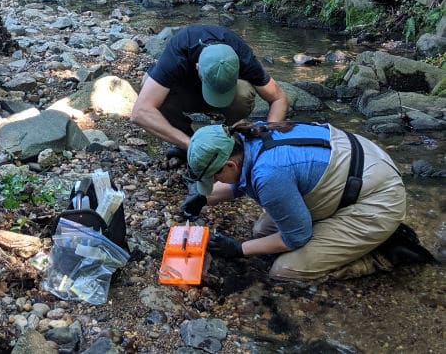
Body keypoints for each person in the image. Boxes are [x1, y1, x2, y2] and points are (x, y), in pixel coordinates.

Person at [181, 120, 435, 281]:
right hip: (356, 168)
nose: (217, 182)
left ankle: (382, 255)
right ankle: (348, 234)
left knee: (284, 271)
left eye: (216, 176)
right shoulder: (246, 134)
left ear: (229, 163)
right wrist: (202, 198)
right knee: (261, 232)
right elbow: (238, 181)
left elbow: (295, 238)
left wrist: (238, 249)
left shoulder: (269, 175)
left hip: (379, 198)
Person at [130, 24, 288, 159]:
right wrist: (191, 145)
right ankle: (185, 138)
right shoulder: (179, 52)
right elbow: (139, 112)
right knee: (150, 91)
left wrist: (268, 136)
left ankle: (230, 135)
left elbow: (279, 98)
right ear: (197, 67)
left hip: (228, 97)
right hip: (184, 93)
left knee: (244, 93)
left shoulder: (241, 55)